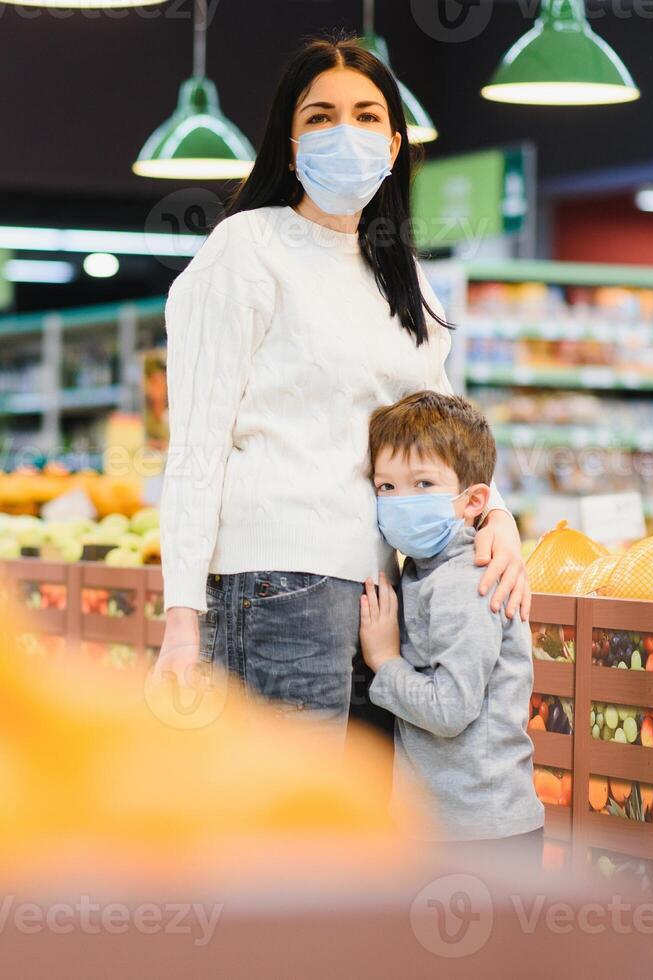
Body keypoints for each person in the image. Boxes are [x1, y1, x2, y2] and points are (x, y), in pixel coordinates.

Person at [153, 35, 532, 743]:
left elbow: (439, 422)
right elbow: (198, 442)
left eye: (364, 116)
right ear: (290, 146)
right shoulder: (246, 249)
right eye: (320, 117)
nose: (344, 133)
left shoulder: (400, 273)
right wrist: (181, 617)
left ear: (393, 146)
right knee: (289, 832)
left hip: (382, 589)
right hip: (276, 578)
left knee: (351, 830)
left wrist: (498, 517)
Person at [358, 390, 544, 860]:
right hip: (454, 825)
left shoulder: (464, 580)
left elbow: (450, 710)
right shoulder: (422, 568)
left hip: (481, 834)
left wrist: (385, 661)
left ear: (473, 500)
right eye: (387, 488)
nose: (402, 501)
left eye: (423, 484)